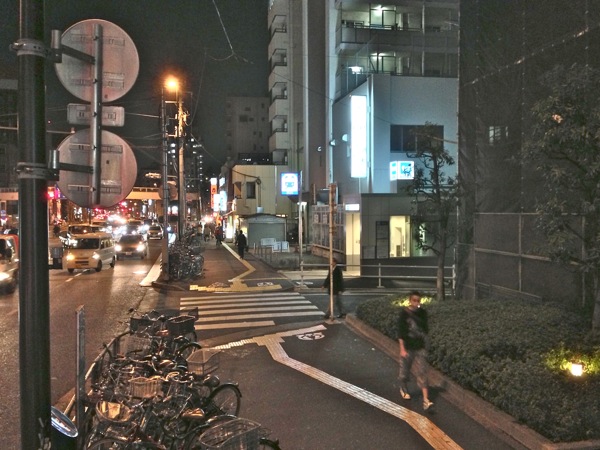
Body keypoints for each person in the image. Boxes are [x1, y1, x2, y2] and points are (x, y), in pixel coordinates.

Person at [397, 290, 433, 410]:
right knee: (405, 369)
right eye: (414, 300)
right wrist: (402, 349)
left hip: (420, 346)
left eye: (418, 300)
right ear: (410, 300)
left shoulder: (423, 313)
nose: (416, 303)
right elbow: (401, 332)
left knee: (422, 371)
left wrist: (426, 345)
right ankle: (403, 387)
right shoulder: (404, 314)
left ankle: (426, 400)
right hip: (408, 346)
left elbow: (425, 329)